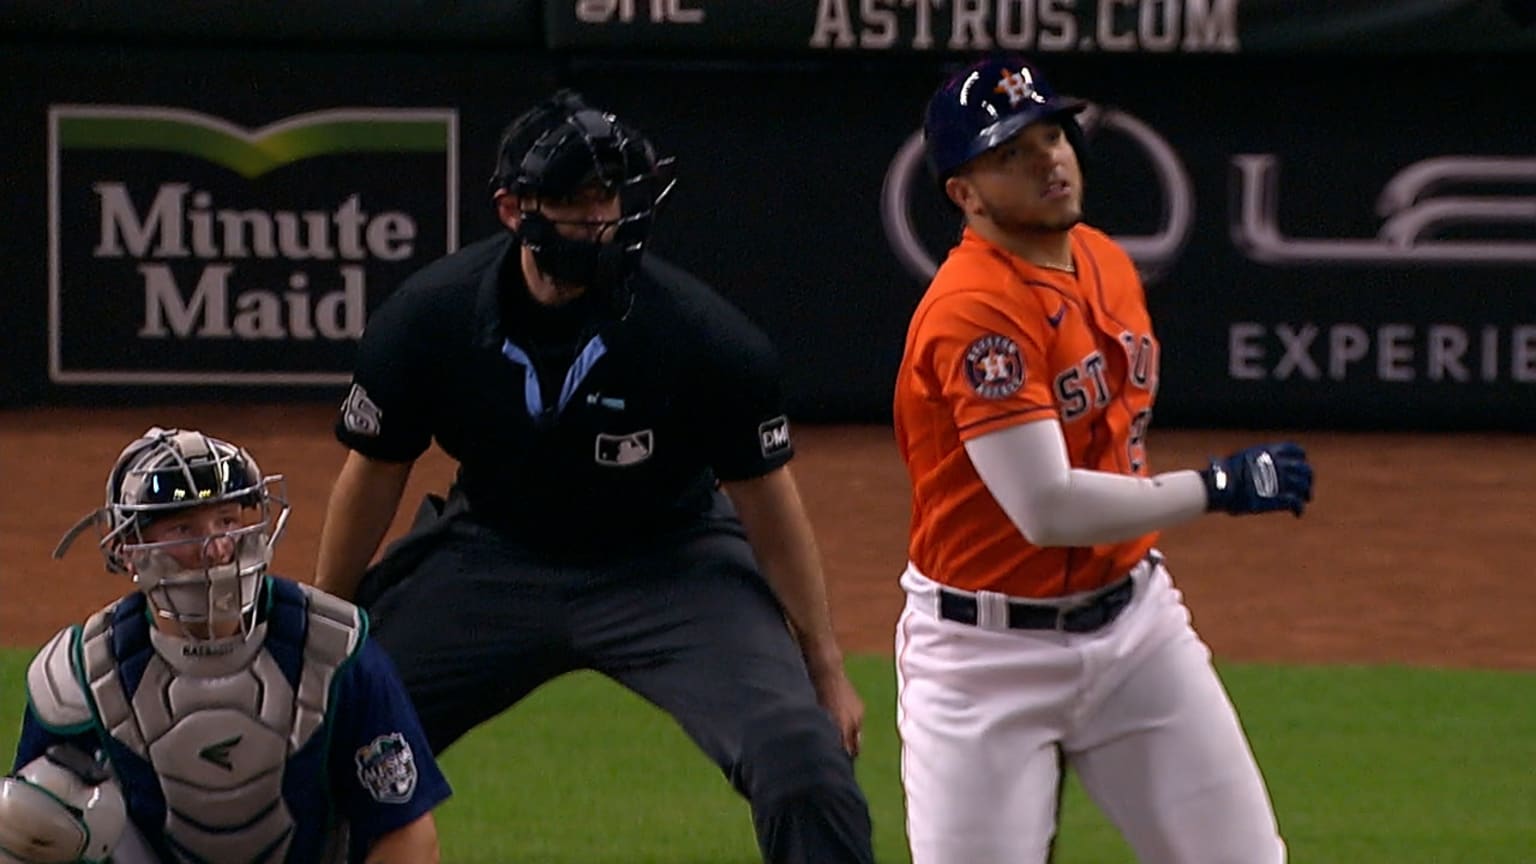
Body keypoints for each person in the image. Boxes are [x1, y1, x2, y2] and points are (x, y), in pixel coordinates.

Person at [312, 89, 876, 864]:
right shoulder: (430, 319)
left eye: (607, 195)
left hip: (672, 563)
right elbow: (372, 478)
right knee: (326, 742)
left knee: (802, 759)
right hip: (491, 558)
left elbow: (769, 509)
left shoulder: (702, 335)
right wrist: (320, 640)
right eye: (574, 200)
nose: (599, 218)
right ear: (514, 209)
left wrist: (826, 670)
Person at [891, 54, 1315, 864]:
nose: (1048, 158)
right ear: (963, 195)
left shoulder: (1103, 261)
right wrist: (1216, 486)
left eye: (1051, 135)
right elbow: (1046, 508)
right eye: (1010, 151)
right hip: (986, 657)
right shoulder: (975, 309)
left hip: (1134, 629)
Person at [6, 427, 450, 864]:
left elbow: (408, 838)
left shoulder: (335, 651)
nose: (216, 547)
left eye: (227, 521)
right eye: (183, 527)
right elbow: (24, 835)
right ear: (128, 548)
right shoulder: (79, 676)